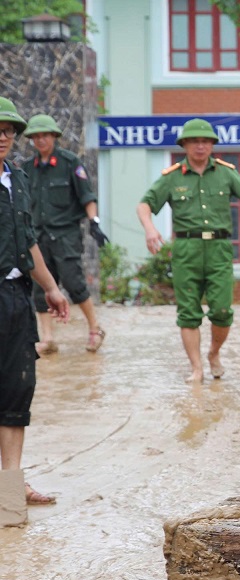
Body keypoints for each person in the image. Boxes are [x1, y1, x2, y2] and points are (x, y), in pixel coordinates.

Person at [136, 118, 240, 383]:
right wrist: (150, 228)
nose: (200, 146)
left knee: (221, 310)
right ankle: (196, 368)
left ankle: (214, 353)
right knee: (188, 312)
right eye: (194, 141)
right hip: (186, 249)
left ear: (212, 145)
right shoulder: (172, 178)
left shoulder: (225, 172)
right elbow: (144, 205)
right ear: (184, 144)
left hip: (219, 248)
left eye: (205, 141)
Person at [0, 97, 70, 507]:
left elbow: (27, 242)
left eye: (9, 130)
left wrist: (51, 288)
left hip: (15, 297)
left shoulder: (18, 179)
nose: (3, 137)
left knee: (17, 390)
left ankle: (10, 491)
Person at [23, 114, 104, 356]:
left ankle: (95, 328)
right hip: (37, 236)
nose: (40, 140)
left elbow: (87, 197)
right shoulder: (27, 169)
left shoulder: (71, 164)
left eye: (45, 135)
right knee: (39, 287)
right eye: (36, 136)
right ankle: (47, 338)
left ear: (55, 137)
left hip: (65, 235)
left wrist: (94, 223)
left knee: (73, 282)